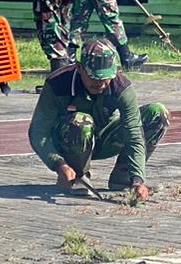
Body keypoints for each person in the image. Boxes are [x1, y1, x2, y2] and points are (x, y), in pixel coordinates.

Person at [29, 38, 168, 200]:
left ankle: (123, 177)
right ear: (80, 68)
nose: (100, 84)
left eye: (105, 78)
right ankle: (79, 176)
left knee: (157, 113)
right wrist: (59, 164)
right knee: (81, 120)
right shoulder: (57, 84)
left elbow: (134, 134)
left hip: (104, 138)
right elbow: (38, 133)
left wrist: (137, 179)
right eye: (94, 78)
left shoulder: (121, 87)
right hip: (69, 140)